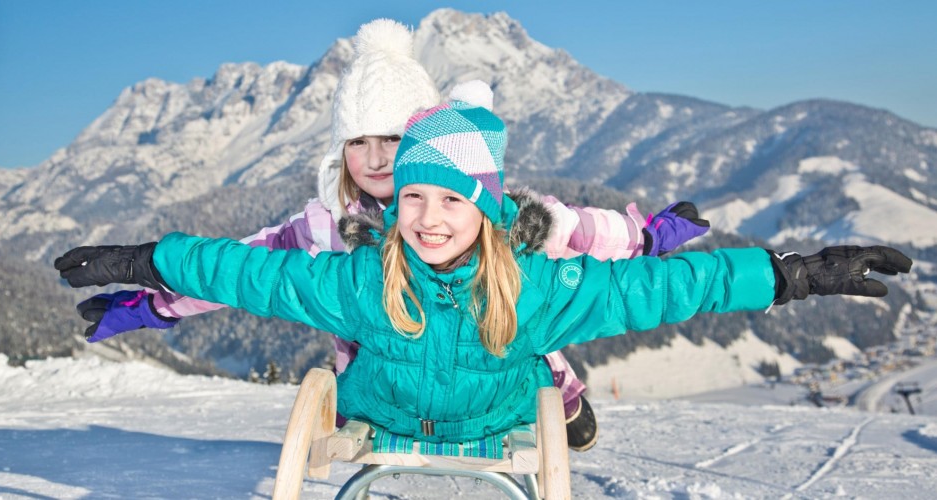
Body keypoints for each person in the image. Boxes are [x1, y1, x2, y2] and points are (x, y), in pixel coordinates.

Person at [55, 86, 912, 445]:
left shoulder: (536, 286)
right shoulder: (360, 278)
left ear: (487, 208)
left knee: (554, 365)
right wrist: (148, 262)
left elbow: (667, 286)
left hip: (494, 428)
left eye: (452, 201)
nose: (428, 220)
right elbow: (251, 273)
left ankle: (569, 411)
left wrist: (794, 275)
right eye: (415, 201)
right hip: (380, 424)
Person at [67, 21, 708, 451]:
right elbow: (244, 271)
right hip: (385, 380)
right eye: (358, 142)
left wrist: (645, 237)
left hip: (491, 359)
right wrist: (155, 302)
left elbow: (577, 231)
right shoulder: (324, 226)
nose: (375, 159)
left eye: (393, 140)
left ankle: (562, 400)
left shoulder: (480, 206)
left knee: (520, 310)